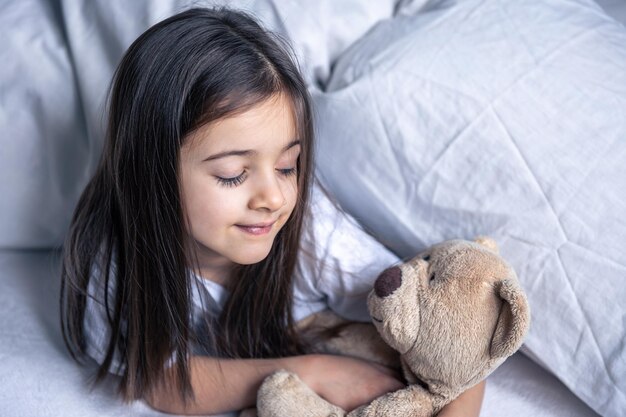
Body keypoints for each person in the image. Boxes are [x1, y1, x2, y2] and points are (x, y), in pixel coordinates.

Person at [60, 6, 484, 416]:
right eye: (232, 174)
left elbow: (455, 335)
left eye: (287, 166)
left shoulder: (316, 235)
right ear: (149, 169)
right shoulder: (113, 258)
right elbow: (154, 379)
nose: (275, 198)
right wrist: (310, 372)